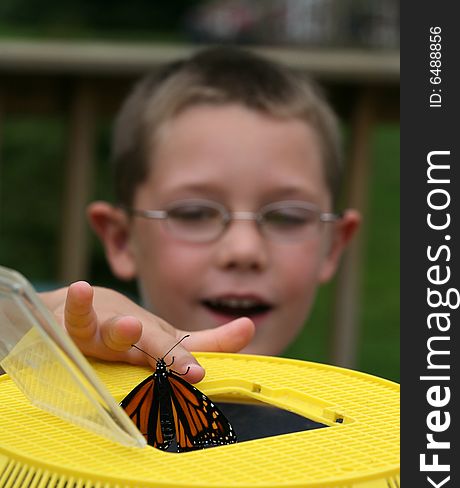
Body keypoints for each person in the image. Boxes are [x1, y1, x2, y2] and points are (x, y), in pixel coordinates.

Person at [42, 46, 359, 382]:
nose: (244, 250)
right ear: (122, 239)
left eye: (288, 217)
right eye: (194, 213)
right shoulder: (74, 387)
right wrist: (38, 323)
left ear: (333, 245)